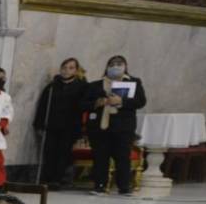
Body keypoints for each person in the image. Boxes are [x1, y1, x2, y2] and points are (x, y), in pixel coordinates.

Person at [88, 54, 147, 196]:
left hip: (123, 126)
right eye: (112, 64)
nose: (115, 66)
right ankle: (100, 186)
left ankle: (124, 187)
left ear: (125, 66)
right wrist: (99, 102)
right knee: (101, 157)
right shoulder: (95, 85)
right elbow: (83, 103)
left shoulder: (134, 82)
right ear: (107, 67)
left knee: (122, 157)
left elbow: (140, 102)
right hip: (101, 127)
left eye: (119, 64)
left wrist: (121, 101)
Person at [33, 58, 87, 188]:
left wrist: (81, 131)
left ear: (76, 70)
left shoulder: (81, 86)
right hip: (52, 125)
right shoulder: (52, 86)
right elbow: (42, 106)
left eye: (71, 68)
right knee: (49, 151)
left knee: (64, 153)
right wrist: (39, 124)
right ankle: (48, 178)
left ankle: (59, 179)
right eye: (64, 67)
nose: (66, 70)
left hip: (70, 126)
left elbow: (83, 108)